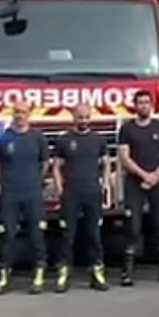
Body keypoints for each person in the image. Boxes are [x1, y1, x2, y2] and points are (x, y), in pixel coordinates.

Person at [0, 99, 50, 294]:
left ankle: (39, 275)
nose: (20, 115)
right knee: (7, 235)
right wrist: (7, 181)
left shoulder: (38, 138)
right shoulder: (3, 138)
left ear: (29, 114)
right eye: (16, 112)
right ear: (12, 113)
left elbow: (44, 164)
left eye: (23, 112)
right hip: (10, 193)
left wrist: (34, 182)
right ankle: (3, 276)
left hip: (33, 193)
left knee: (37, 234)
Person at [118, 90, 159, 286]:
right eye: (140, 102)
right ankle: (128, 272)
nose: (143, 106)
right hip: (135, 183)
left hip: (157, 182)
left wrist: (156, 175)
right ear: (135, 105)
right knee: (133, 226)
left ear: (152, 105)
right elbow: (125, 157)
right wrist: (144, 175)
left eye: (146, 102)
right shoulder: (127, 129)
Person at [54, 102, 111, 292]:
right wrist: (60, 188)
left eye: (87, 117)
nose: (84, 121)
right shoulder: (64, 140)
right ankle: (64, 274)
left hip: (92, 192)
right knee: (67, 235)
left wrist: (105, 185)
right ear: (73, 117)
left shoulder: (98, 140)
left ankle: (97, 272)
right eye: (80, 117)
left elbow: (106, 164)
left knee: (94, 234)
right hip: (71, 193)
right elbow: (56, 166)